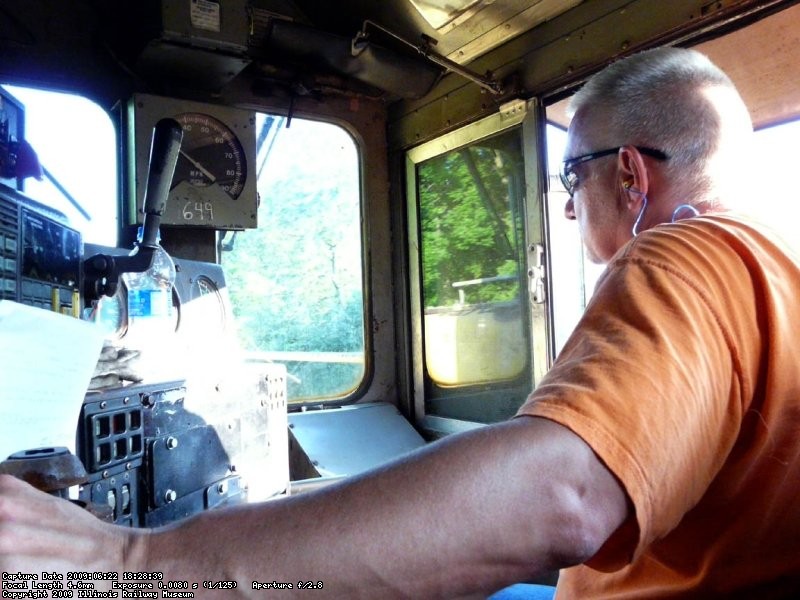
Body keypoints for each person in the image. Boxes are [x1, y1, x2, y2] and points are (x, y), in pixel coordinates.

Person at [1, 46, 799, 598]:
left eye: (571, 174)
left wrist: (128, 562)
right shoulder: (777, 279)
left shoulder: (686, 256)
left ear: (628, 174)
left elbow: (565, 496)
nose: (564, 202)